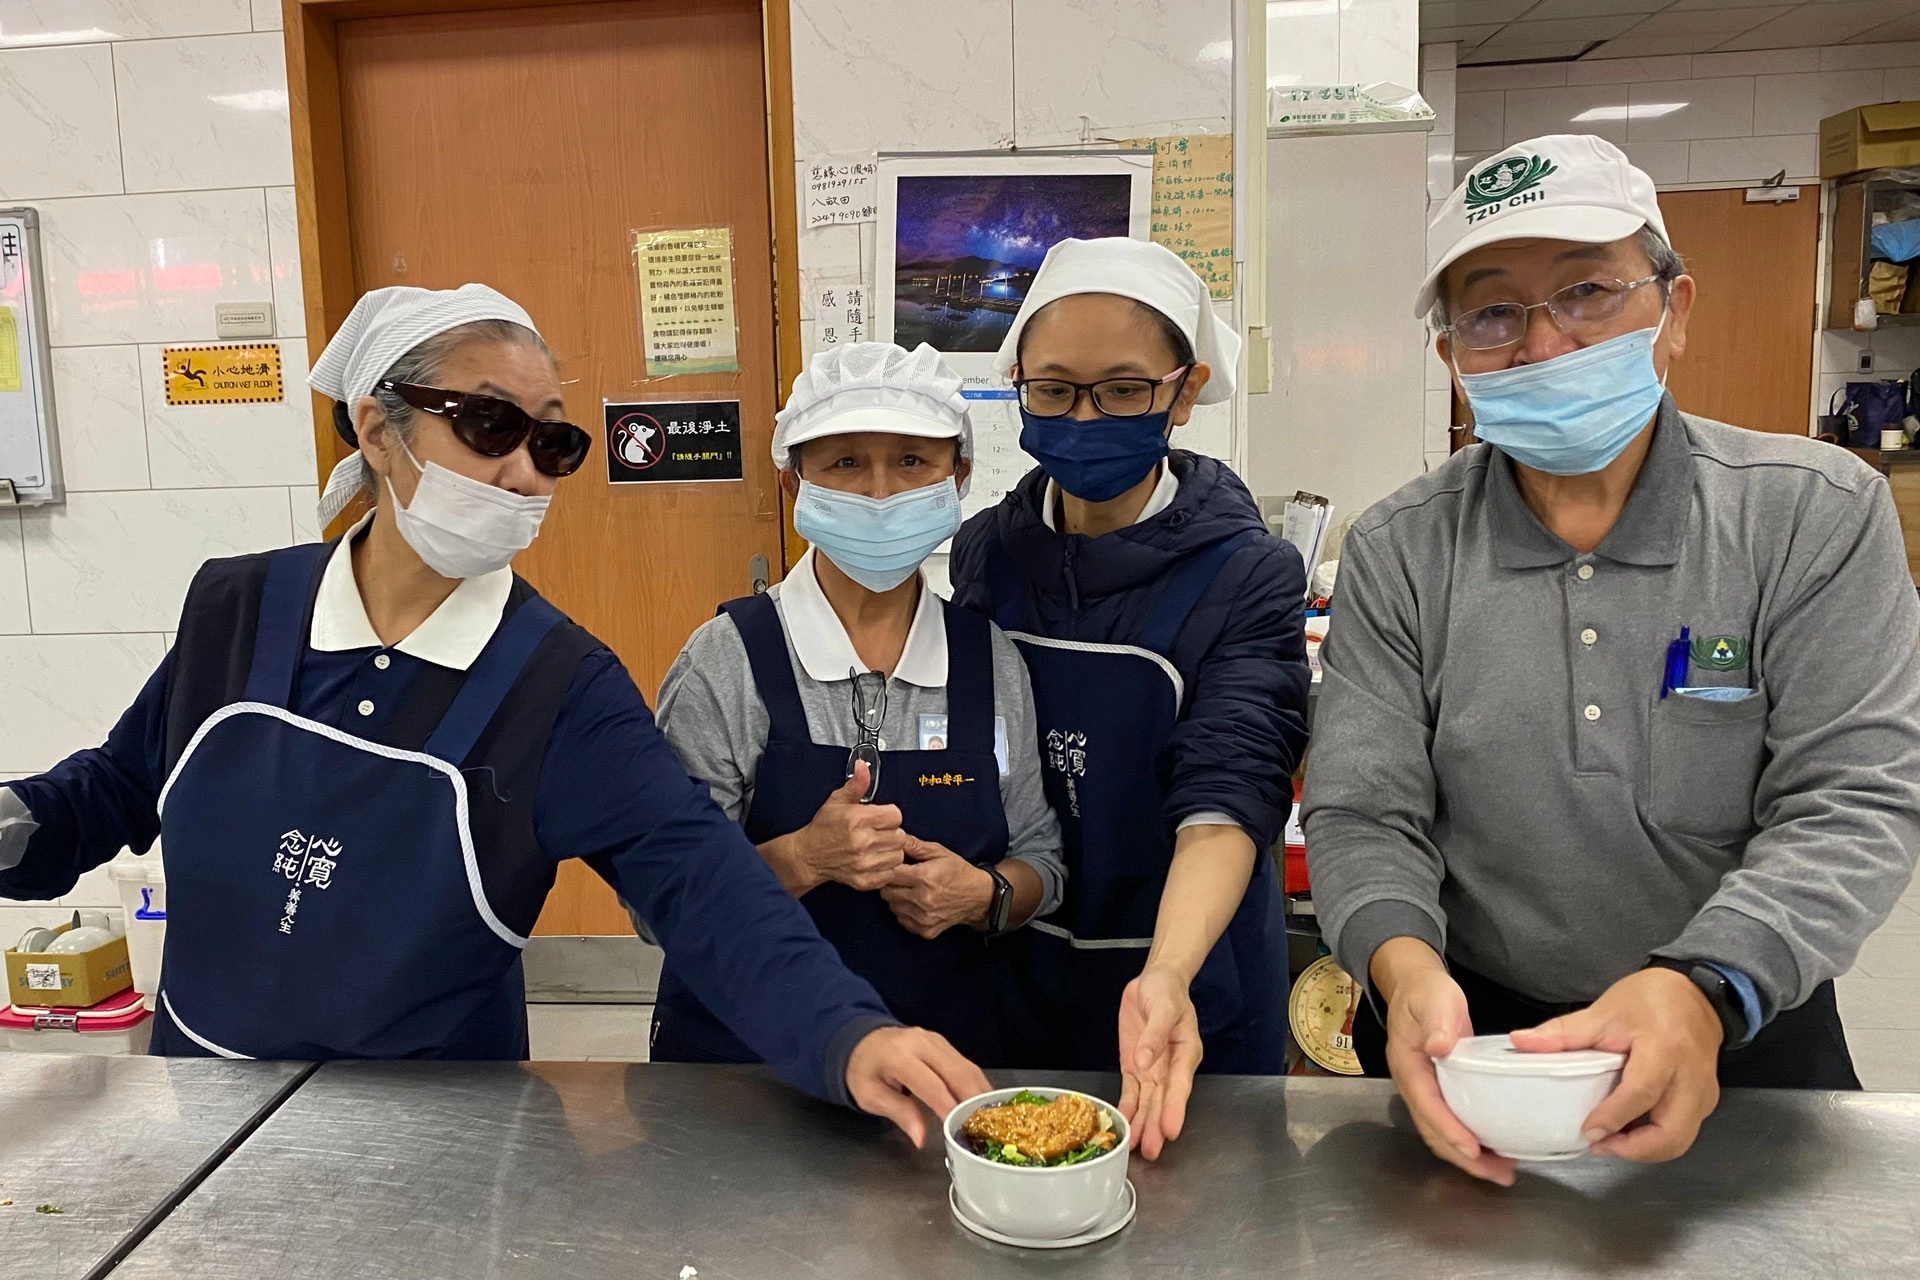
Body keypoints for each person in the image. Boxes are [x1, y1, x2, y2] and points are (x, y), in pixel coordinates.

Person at [0, 285, 986, 1147]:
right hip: (207, 1108)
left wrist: (845, 1031)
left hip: (446, 1141)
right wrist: (16, 823)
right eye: (487, 425)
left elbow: (701, 880)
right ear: (376, 428)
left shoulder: (559, 686)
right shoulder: (239, 605)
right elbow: (118, 785)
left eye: (550, 441)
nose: (523, 472)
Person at [1303, 135, 1920, 1186]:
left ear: (1675, 309)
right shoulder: (1403, 547)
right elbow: (1364, 808)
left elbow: (1856, 798)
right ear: (1450, 353)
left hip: (1742, 1022)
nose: (1544, 344)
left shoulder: (1810, 515)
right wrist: (1401, 965)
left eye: (1587, 292)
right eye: (1492, 313)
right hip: (1477, 1036)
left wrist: (1704, 986)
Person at [948, 238, 1311, 1158]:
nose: (1084, 415)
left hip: (1186, 984)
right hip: (1017, 961)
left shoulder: (1246, 572)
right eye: (1054, 389)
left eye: (1121, 389)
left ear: (1184, 393)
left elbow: (1230, 785)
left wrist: (1168, 975)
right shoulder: (989, 551)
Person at [641, 342, 1066, 1068]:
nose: (879, 493)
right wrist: (800, 859)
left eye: (912, 461)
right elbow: (657, 901)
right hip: (742, 1068)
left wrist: (985, 895)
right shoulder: (725, 662)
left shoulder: (990, 660)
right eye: (844, 463)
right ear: (793, 482)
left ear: (959, 475)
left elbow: (1042, 861)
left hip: (944, 1064)